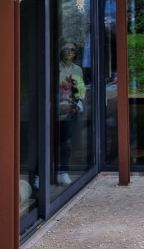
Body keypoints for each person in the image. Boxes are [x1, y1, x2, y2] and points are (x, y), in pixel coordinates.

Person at [57, 42, 85, 186]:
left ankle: (64, 171)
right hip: (54, 109)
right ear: (62, 51)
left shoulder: (77, 69)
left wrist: (77, 105)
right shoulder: (55, 68)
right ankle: (39, 173)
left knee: (66, 142)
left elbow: (81, 90)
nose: (70, 52)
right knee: (48, 141)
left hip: (71, 110)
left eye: (73, 50)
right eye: (67, 49)